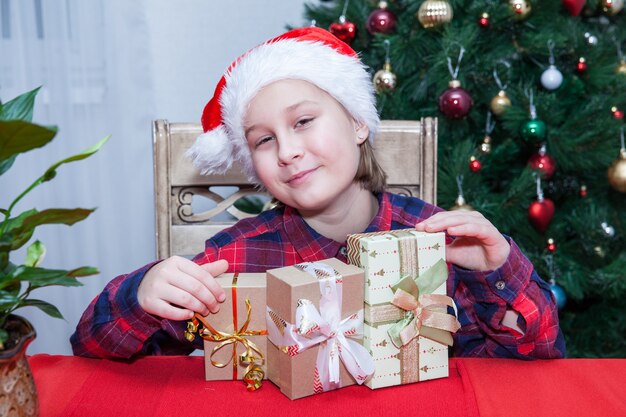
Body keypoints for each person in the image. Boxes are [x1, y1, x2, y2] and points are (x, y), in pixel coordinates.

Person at [71, 27, 565, 360]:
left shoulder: (435, 239)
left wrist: (499, 271)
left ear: (355, 123)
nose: (287, 151)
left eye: (304, 121)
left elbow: (535, 359)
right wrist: (142, 294)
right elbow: (92, 348)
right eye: (264, 140)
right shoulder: (236, 258)